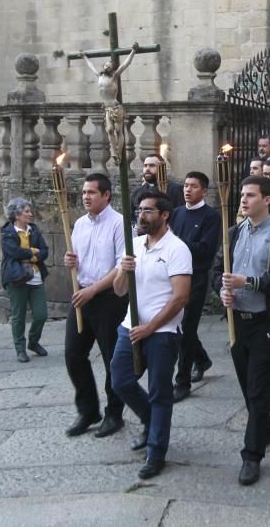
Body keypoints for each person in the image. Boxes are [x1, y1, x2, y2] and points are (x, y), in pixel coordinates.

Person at [213, 176, 270, 486]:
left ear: (267, 200)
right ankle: (265, 426)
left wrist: (248, 282)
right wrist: (221, 292)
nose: (243, 200)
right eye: (242, 194)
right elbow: (217, 272)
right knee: (245, 384)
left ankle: (252, 456)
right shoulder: (233, 233)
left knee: (257, 389)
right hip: (238, 322)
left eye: (250, 195)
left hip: (266, 323)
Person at [111, 192, 192, 480]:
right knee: (119, 380)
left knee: (160, 392)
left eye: (148, 211)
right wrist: (124, 270)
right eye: (139, 210)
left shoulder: (177, 249)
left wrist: (151, 327)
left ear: (165, 215)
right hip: (130, 325)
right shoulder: (134, 245)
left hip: (163, 332)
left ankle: (156, 451)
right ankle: (149, 420)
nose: (141, 215)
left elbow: (180, 298)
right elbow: (120, 290)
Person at [62, 173, 128, 438]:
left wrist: (93, 290)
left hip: (108, 298)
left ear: (106, 195)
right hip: (82, 294)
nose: (86, 197)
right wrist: (70, 261)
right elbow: (78, 257)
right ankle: (88, 410)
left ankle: (114, 413)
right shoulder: (78, 224)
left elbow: (121, 266)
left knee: (112, 357)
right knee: (73, 354)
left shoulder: (119, 224)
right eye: (84, 193)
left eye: (91, 192)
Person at [169, 171, 221, 402]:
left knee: (186, 329)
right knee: (180, 327)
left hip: (197, 277)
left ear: (204, 191)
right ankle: (201, 359)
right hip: (174, 276)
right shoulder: (177, 213)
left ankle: (183, 381)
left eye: (193, 186)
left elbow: (206, 250)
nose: (187, 190)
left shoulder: (211, 216)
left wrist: (177, 243)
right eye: (186, 185)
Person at [0, 198, 50, 362]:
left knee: (41, 314)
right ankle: (20, 348)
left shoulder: (33, 230)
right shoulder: (7, 232)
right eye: (27, 211)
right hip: (17, 278)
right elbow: (14, 253)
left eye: (30, 211)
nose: (30, 214)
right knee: (18, 315)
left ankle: (33, 342)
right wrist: (32, 252)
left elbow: (44, 251)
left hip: (35, 276)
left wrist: (31, 255)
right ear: (16, 214)